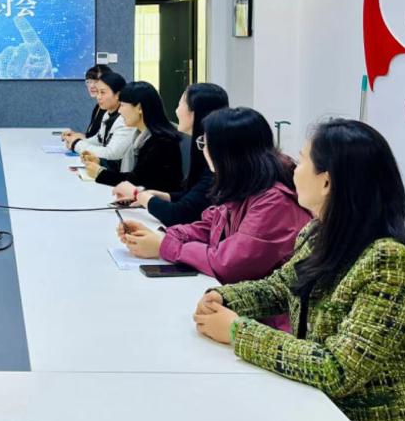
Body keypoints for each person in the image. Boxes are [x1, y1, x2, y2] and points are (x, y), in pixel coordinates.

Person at [193, 119, 405, 421]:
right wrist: (224, 297)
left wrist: (239, 332)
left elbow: (339, 368)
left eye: (302, 160)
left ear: (326, 182)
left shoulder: (390, 262)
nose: (293, 169)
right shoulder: (317, 233)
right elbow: (281, 287)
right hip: (329, 414)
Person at [117, 108, 311, 305]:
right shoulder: (244, 185)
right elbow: (207, 227)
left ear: (226, 152)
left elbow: (230, 265)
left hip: (264, 312)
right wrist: (161, 237)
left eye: (205, 143)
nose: (203, 150)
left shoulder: (274, 201)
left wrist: (164, 246)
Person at [112, 83, 229, 226]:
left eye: (180, 104)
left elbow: (180, 214)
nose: (176, 110)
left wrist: (138, 195)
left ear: (195, 112)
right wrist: (161, 196)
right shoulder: (204, 149)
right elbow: (194, 195)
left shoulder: (216, 160)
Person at [83, 81, 183, 193]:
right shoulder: (140, 135)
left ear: (139, 108)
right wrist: (100, 162)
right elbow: (133, 173)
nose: (119, 111)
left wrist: (99, 173)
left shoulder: (162, 142)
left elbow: (137, 181)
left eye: (122, 105)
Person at [67, 72, 134, 170]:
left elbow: (111, 153)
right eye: (97, 92)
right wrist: (75, 141)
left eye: (102, 92)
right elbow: (99, 140)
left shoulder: (126, 119)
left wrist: (77, 144)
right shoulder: (107, 114)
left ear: (118, 95)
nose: (98, 97)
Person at [60, 64, 112, 145]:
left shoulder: (109, 108)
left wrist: (76, 142)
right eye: (88, 82)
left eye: (95, 82)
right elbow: (92, 137)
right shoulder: (98, 106)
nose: (91, 86)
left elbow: (102, 142)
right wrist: (76, 135)